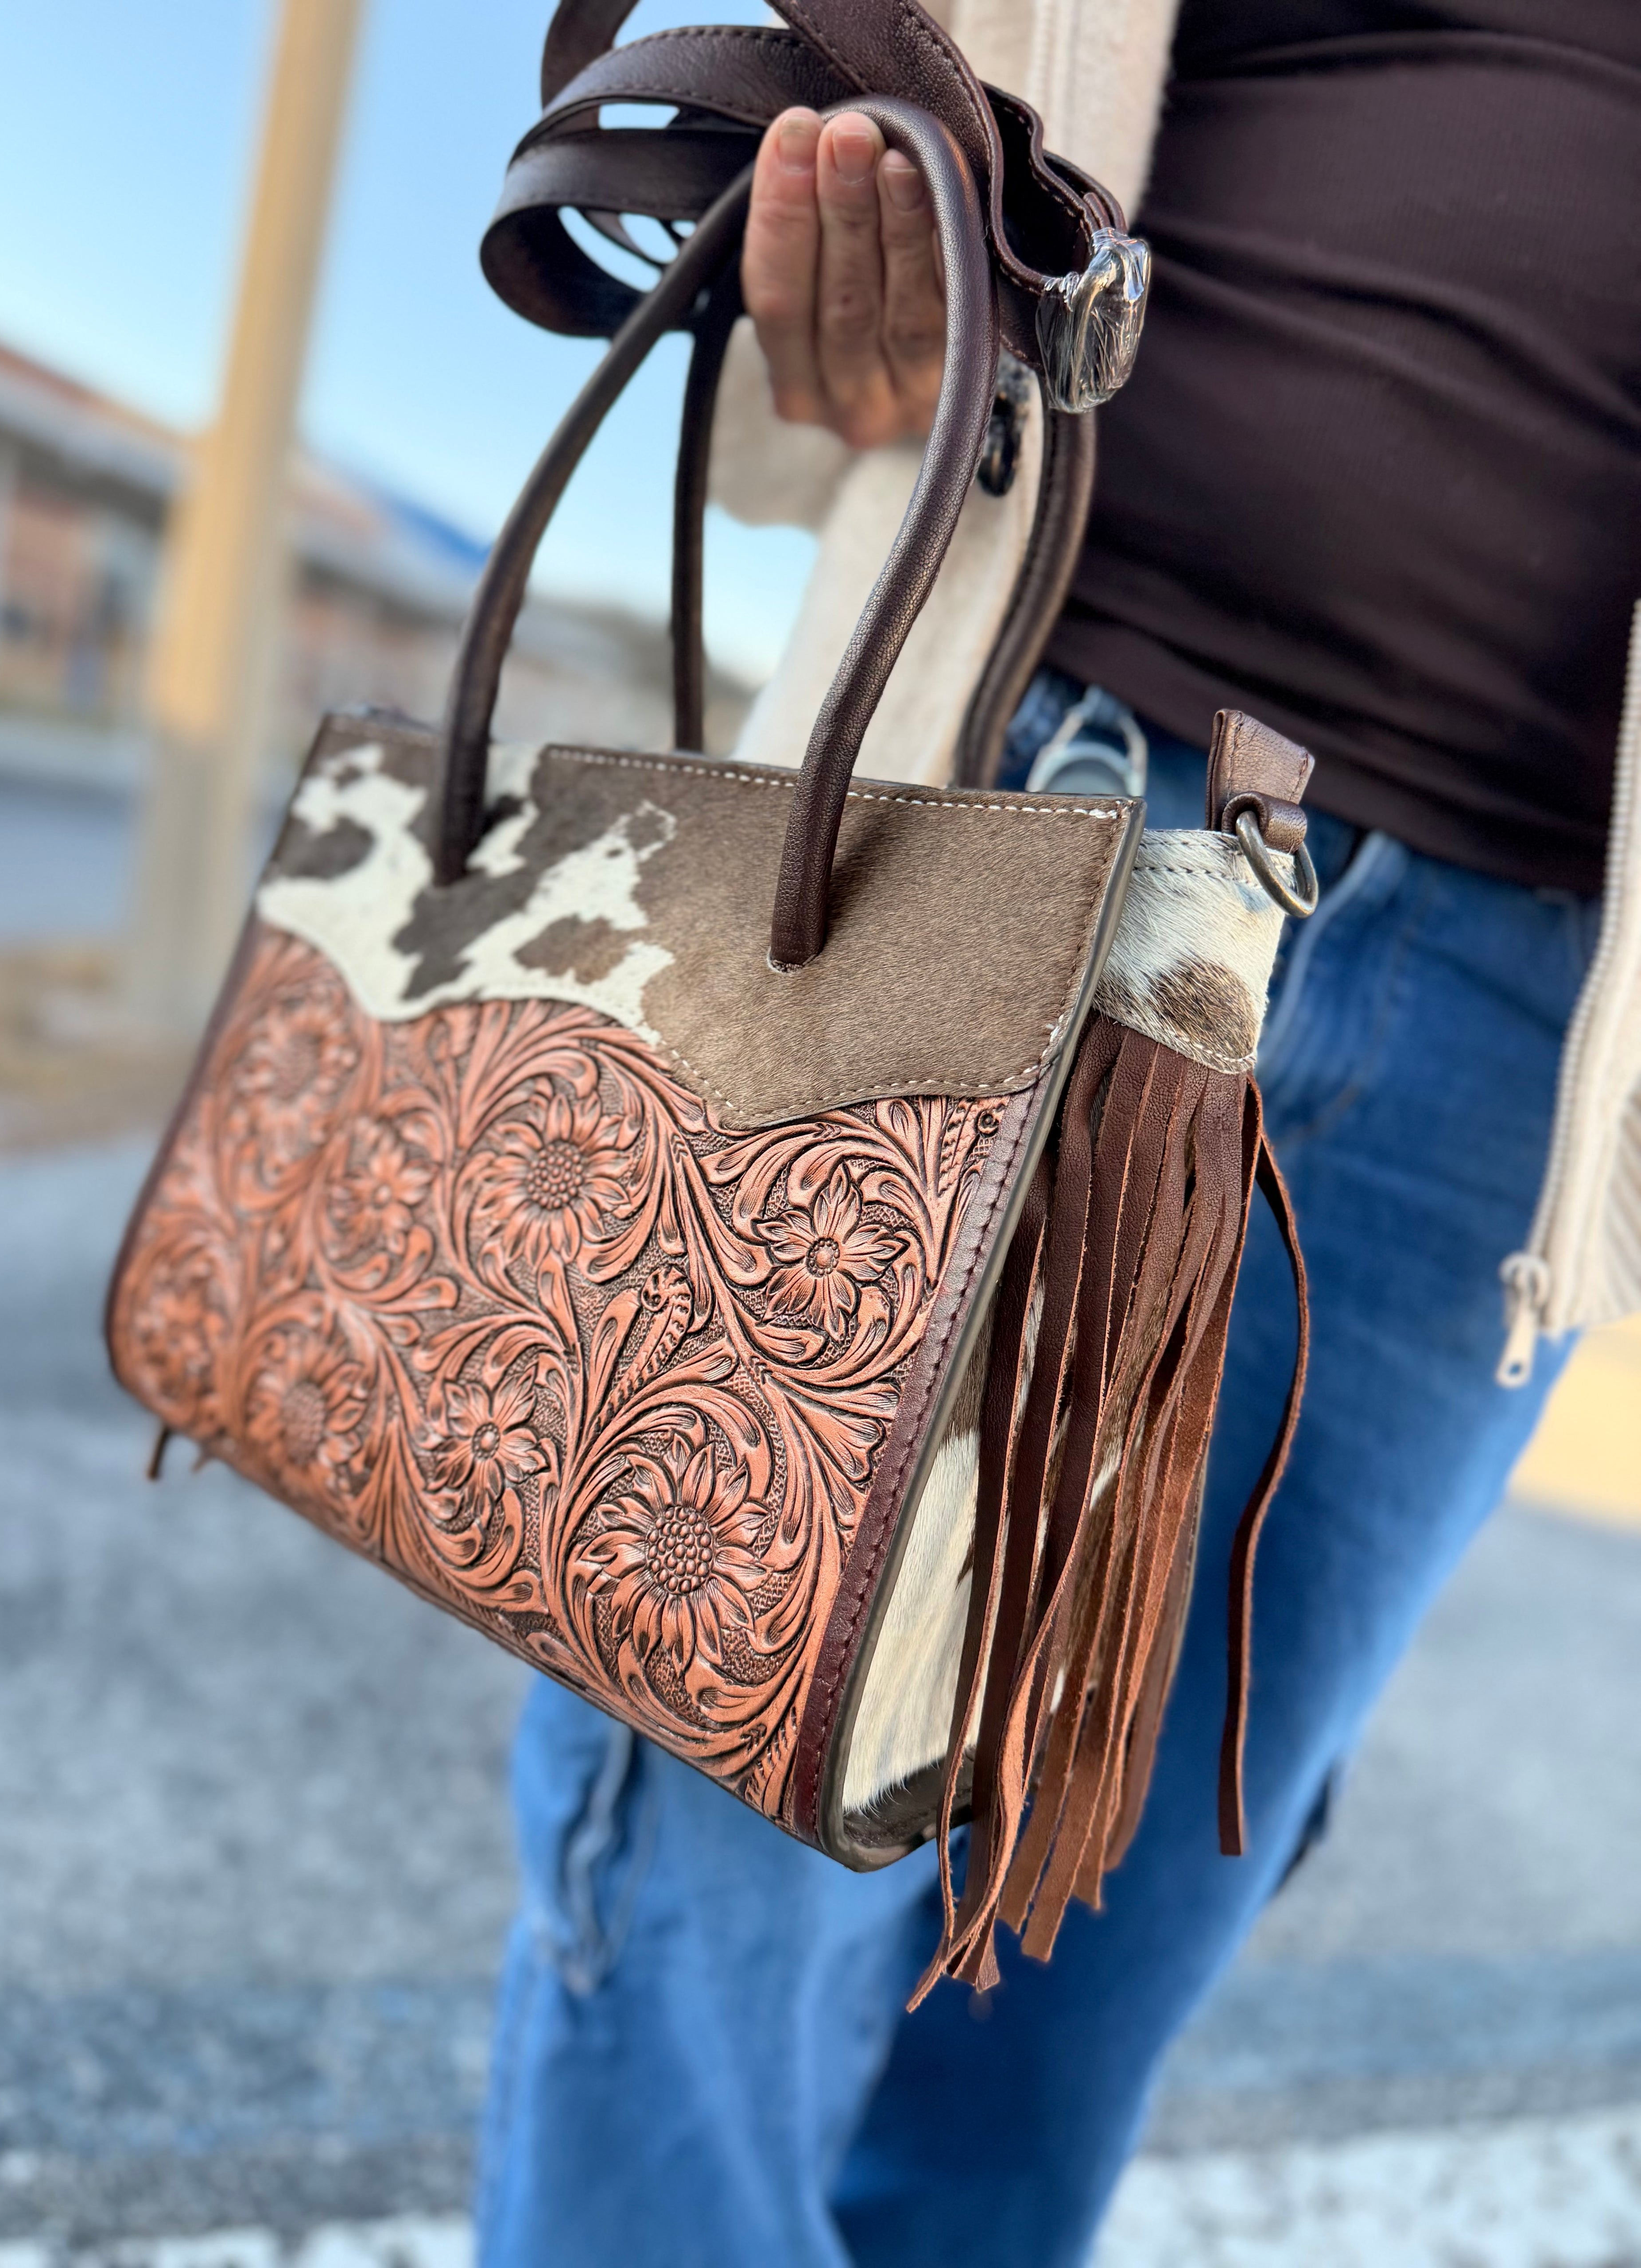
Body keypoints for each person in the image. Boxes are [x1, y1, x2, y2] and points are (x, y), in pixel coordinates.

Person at [477, 8, 1641, 2261]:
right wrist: (859, 247)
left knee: (1081, 1955)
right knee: (713, 1853)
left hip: (1526, 1042)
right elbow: (878, 227)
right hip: (1011, 784)